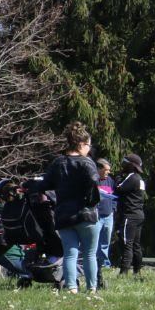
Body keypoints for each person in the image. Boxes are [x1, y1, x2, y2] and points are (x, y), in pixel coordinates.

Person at [44, 123, 104, 293]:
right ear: (81, 144)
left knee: (70, 254)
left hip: (64, 214)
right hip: (86, 214)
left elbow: (46, 183)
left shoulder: (58, 162)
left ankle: (71, 287)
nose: (89, 149)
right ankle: (91, 288)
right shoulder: (87, 163)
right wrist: (92, 200)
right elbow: (93, 181)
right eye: (89, 145)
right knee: (90, 254)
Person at [112, 153, 148, 276]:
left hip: (130, 215)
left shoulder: (132, 177)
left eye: (125, 163)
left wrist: (118, 176)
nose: (122, 165)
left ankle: (124, 272)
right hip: (138, 214)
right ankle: (137, 271)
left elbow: (118, 188)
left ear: (131, 165)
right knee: (136, 245)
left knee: (127, 244)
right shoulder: (139, 179)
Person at [94, 158, 118, 270]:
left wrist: (113, 209)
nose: (108, 172)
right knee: (94, 241)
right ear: (99, 169)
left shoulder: (110, 181)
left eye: (109, 170)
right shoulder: (94, 181)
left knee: (105, 241)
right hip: (96, 216)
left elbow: (114, 197)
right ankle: (94, 263)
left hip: (108, 216)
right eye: (106, 170)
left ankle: (104, 263)